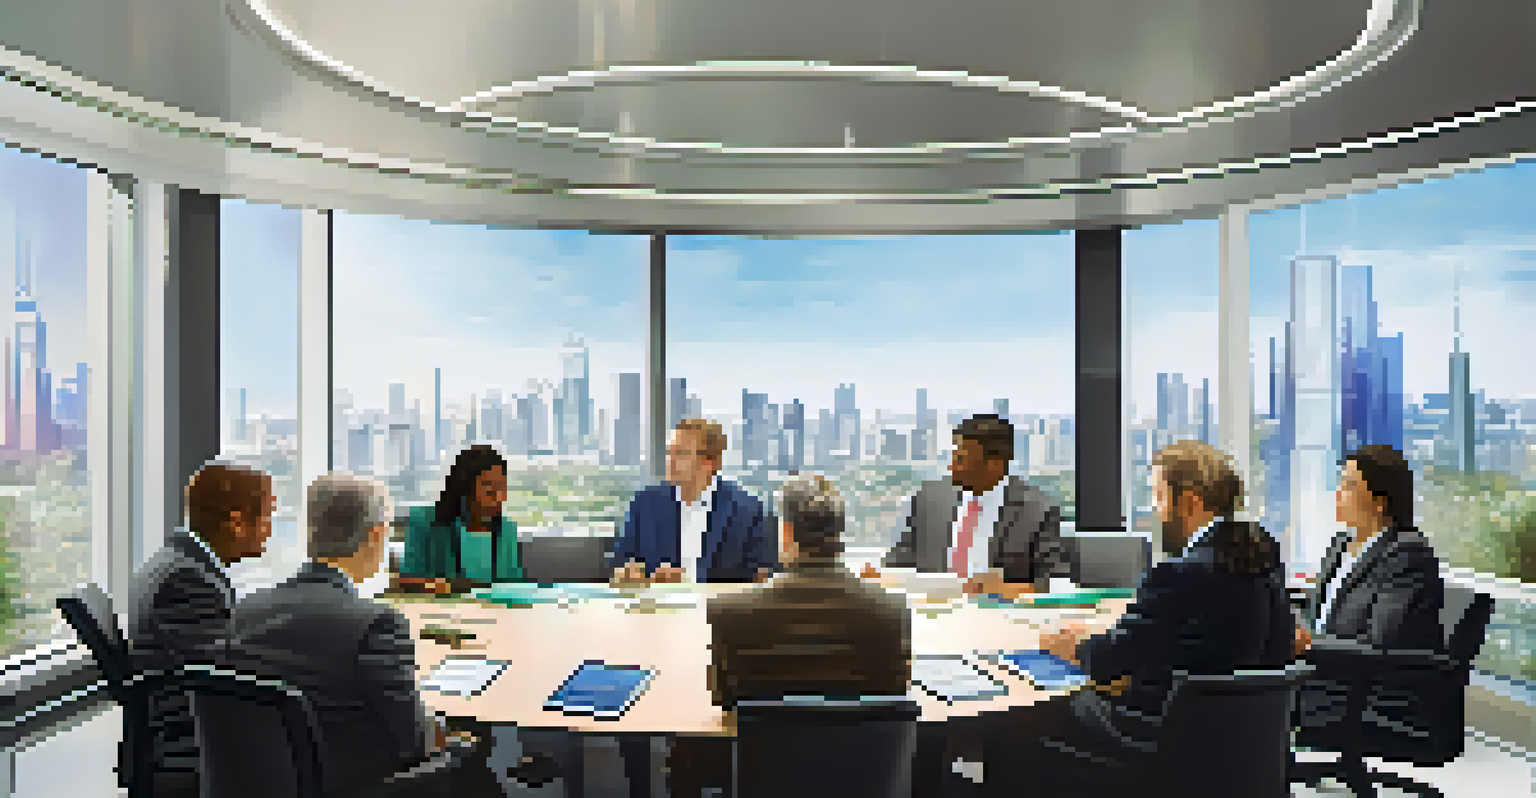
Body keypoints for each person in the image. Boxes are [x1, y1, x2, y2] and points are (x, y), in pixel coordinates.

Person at [976, 440, 1296, 797]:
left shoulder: (1179, 573)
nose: (1156, 510)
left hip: (1158, 740)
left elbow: (1107, 662)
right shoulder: (1260, 555)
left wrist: (1072, 646)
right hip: (1240, 744)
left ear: (1189, 501)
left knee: (1015, 718)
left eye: (1159, 496)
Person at [228, 473, 504, 797]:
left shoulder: (243, 612)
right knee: (473, 759)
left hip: (268, 785)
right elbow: (415, 741)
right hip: (357, 784)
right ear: (376, 536)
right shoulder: (377, 623)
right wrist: (451, 736)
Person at [668, 473, 913, 798]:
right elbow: (892, 696)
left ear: (786, 533)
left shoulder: (730, 611)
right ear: (839, 533)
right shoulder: (891, 609)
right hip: (861, 777)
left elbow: (724, 702)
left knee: (685, 751)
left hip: (762, 778)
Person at [128, 462, 276, 798]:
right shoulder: (186, 581)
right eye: (268, 517)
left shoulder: (179, 563)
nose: (270, 530)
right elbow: (222, 681)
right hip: (192, 741)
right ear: (237, 522)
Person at [1293, 444, 1447, 749]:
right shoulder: (1341, 545)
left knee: (1246, 700)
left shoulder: (1406, 554)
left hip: (1371, 692)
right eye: (1340, 482)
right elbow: (1319, 615)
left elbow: (1379, 641)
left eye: (1349, 485)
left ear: (1380, 502)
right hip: (1323, 674)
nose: (1338, 493)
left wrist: (1308, 644)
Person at [865, 413, 1072, 600]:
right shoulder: (931, 499)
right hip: (932, 616)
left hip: (999, 620)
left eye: (961, 459)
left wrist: (1004, 589)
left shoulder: (1037, 509)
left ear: (995, 464)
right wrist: (881, 576)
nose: (951, 466)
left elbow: (1054, 583)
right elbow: (901, 560)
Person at [611, 418, 775, 585]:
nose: (670, 461)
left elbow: (758, 578)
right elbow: (621, 564)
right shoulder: (644, 503)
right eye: (669, 453)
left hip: (717, 608)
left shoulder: (747, 509)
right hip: (658, 608)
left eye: (680, 454)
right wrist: (639, 578)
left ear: (709, 462)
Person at [399, 443, 523, 593]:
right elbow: (408, 581)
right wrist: (448, 586)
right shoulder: (424, 522)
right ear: (464, 488)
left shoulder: (507, 530)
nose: (498, 497)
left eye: (502, 488)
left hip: (495, 612)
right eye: (489, 488)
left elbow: (515, 586)